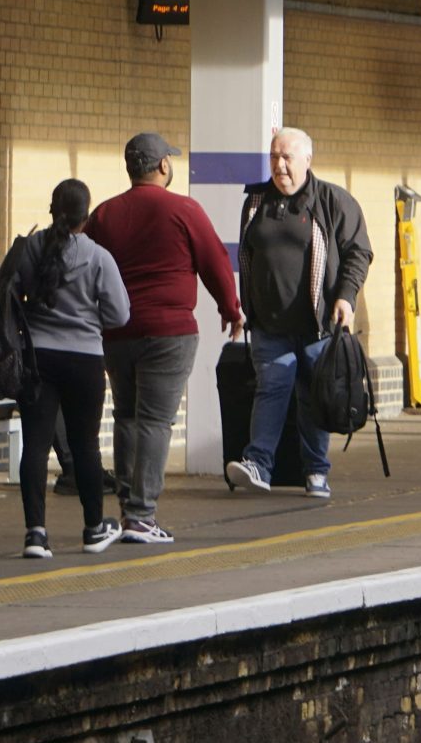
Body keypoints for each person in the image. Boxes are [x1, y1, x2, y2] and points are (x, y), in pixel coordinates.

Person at [86, 132, 242, 543]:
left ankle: (126, 509)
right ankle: (141, 515)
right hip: (169, 332)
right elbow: (214, 261)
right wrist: (231, 309)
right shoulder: (184, 209)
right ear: (163, 166)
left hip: (117, 333)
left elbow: (85, 266)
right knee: (155, 422)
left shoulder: (103, 215)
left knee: (127, 416)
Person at [225, 126, 371, 500]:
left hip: (317, 325)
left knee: (312, 397)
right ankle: (258, 463)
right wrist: (243, 308)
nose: (280, 165)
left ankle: (316, 471)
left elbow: (359, 251)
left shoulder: (332, 201)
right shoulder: (256, 201)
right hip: (270, 325)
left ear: (307, 160)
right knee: (270, 389)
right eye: (274, 156)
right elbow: (247, 255)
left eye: (287, 157)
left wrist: (346, 297)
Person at [0, 180, 131, 555]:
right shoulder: (99, 257)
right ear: (86, 216)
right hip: (85, 360)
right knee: (85, 444)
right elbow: (120, 314)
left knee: (36, 445)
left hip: (37, 360)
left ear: (52, 208)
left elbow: (11, 295)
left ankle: (36, 534)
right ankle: (92, 529)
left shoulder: (29, 250)